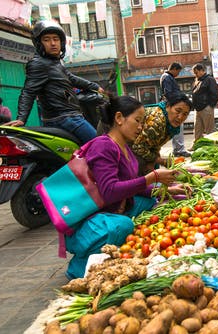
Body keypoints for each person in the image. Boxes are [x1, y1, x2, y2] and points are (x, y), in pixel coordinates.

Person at [65, 94, 187, 279]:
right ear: (119, 118)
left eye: (142, 122)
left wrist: (165, 189)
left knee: (149, 202)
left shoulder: (125, 147)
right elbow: (110, 190)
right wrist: (152, 177)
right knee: (125, 225)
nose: (141, 127)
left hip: (113, 209)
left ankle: (110, 242)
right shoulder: (103, 146)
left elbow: (133, 187)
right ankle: (80, 265)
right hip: (90, 220)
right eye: (137, 121)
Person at [7, 20, 104, 144]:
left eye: (56, 39)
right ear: (39, 43)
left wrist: (95, 86)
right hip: (65, 118)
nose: (53, 43)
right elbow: (28, 92)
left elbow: (71, 78)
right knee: (100, 145)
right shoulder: (39, 64)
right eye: (47, 39)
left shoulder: (53, 63)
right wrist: (21, 118)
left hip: (67, 117)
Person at [132, 93, 194, 173]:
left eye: (185, 114)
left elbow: (155, 144)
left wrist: (154, 161)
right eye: (178, 111)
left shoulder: (169, 122)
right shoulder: (157, 122)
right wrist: (162, 161)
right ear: (168, 106)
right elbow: (138, 147)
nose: (180, 117)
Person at [160, 62, 190, 157]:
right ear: (174, 69)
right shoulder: (167, 77)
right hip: (173, 106)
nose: (178, 74)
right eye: (178, 72)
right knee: (177, 126)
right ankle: (179, 149)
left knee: (176, 127)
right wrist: (180, 99)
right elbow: (168, 93)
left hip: (173, 105)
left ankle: (178, 148)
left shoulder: (168, 77)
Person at [191, 63, 218, 145]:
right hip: (198, 109)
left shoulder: (209, 79)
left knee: (209, 129)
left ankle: (212, 145)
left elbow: (214, 94)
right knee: (197, 129)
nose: (196, 75)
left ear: (202, 70)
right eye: (194, 73)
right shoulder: (198, 81)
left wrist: (210, 106)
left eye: (196, 72)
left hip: (206, 107)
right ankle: (197, 145)